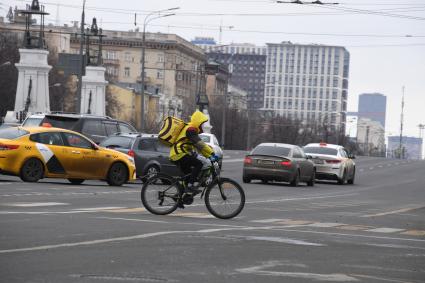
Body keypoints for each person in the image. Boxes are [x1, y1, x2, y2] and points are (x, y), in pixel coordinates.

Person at [169, 110, 219, 195]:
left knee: (188, 175)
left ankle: (179, 198)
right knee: (199, 164)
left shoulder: (191, 129)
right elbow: (200, 144)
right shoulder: (191, 130)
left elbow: (199, 148)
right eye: (201, 123)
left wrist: (209, 155)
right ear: (198, 122)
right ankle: (190, 186)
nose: (202, 126)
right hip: (180, 154)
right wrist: (212, 153)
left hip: (178, 154)